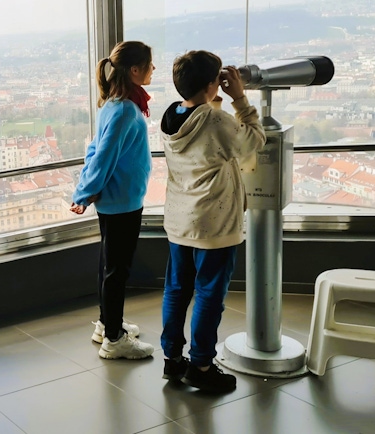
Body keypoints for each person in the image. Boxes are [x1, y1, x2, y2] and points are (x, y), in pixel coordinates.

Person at [159, 50, 266, 392]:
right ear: (211, 83)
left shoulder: (171, 115)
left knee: (176, 291)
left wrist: (210, 102)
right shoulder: (216, 120)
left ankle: (173, 360)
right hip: (214, 225)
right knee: (208, 294)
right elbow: (253, 141)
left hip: (180, 220)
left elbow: (206, 136)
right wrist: (240, 99)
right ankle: (202, 365)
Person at [70, 41, 156, 360]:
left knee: (110, 265)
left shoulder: (114, 105)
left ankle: (107, 325)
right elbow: (103, 156)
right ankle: (115, 340)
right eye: (150, 64)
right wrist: (83, 192)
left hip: (117, 199)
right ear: (135, 70)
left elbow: (94, 150)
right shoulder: (123, 111)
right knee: (117, 270)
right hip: (122, 202)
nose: (153, 69)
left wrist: (86, 189)